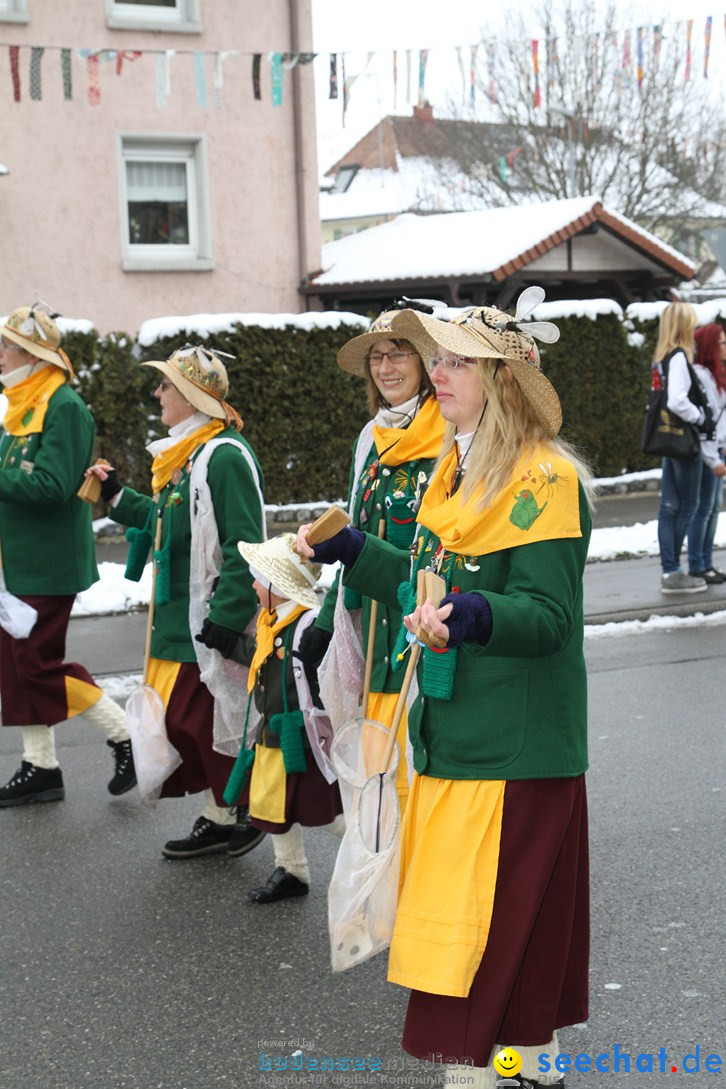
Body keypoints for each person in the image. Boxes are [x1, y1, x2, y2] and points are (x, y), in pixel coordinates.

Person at [297, 295, 592, 1089]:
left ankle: (483, 1073)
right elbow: (424, 582)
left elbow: (549, 616)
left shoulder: (545, 477)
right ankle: (529, 1065)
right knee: (498, 932)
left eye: (458, 360)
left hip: (517, 746)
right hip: (457, 734)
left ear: (502, 378)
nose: (437, 371)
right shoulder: (453, 466)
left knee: (477, 939)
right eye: (441, 358)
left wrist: (468, 614)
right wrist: (352, 547)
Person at [87, 346, 266, 860]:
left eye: (166, 385)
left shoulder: (224, 455)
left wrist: (229, 617)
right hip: (174, 620)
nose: (157, 393)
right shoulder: (185, 454)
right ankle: (222, 812)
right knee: (188, 724)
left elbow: (244, 545)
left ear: (192, 395)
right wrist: (118, 496)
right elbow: (170, 522)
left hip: (205, 619)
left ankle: (248, 808)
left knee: (199, 723)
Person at [299, 307, 445, 812]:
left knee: (412, 786)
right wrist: (325, 622)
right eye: (377, 358)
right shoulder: (371, 438)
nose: (386, 368)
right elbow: (352, 539)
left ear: (426, 362)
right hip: (372, 645)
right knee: (376, 788)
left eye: (398, 354)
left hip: (419, 641)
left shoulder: (451, 435)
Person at [0, 304, 135, 806]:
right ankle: (41, 767)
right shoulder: (20, 402)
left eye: (7, 347)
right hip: (16, 562)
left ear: (33, 355)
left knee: (36, 664)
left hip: (47, 562)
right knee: (15, 667)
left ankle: (126, 736)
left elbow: (53, 486)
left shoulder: (63, 406)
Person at [224, 533, 343, 904]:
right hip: (272, 729)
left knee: (322, 809)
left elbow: (324, 675)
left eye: (259, 579)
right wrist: (229, 643)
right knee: (270, 803)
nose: (254, 585)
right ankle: (291, 870)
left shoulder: (307, 626)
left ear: (280, 584)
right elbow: (263, 659)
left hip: (301, 734)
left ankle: (369, 843)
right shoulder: (270, 620)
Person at [653, 302, 712, 593]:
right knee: (688, 505)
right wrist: (700, 417)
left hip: (668, 440)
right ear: (683, 326)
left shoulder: (661, 357)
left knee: (669, 507)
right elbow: (677, 400)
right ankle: (673, 572)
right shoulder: (678, 358)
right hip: (684, 440)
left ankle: (669, 570)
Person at [687, 323, 726, 583]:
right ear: (710, 346)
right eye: (721, 342)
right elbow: (707, 419)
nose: (725, 346)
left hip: (718, 448)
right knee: (703, 508)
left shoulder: (715, 373)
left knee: (712, 508)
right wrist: (713, 458)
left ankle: (706, 563)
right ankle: (697, 564)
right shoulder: (701, 374)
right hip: (707, 451)